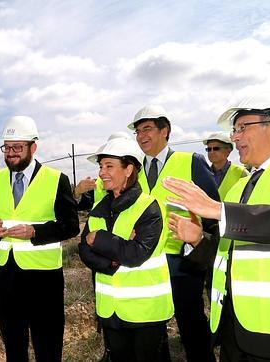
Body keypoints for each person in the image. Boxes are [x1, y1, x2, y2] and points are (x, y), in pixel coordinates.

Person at [163, 92, 270, 362]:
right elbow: (227, 258)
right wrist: (198, 240)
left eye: (242, 127)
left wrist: (218, 210)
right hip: (236, 332)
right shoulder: (240, 187)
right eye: (234, 129)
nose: (235, 137)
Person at [0, 115, 80, 361]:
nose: (11, 153)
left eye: (17, 147)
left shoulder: (57, 180)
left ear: (33, 147)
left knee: (48, 346)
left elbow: (70, 226)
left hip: (44, 279)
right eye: (7, 147)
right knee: (14, 346)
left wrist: (35, 232)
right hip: (7, 278)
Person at [129, 105, 219, 362]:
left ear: (164, 131)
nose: (141, 136)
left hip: (184, 262)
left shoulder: (190, 162)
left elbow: (213, 208)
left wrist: (203, 247)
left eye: (147, 129)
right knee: (154, 326)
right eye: (137, 131)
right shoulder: (133, 171)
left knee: (190, 322)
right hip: (148, 263)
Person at [79, 135, 173, 362]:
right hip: (110, 311)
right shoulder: (100, 207)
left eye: (109, 166)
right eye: (101, 166)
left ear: (129, 169)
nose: (102, 173)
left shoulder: (149, 207)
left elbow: (135, 254)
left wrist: (99, 239)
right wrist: (113, 259)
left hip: (145, 313)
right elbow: (84, 250)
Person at [203, 131, 248, 200]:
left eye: (216, 148)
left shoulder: (241, 173)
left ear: (228, 150)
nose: (211, 152)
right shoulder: (203, 173)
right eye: (209, 149)